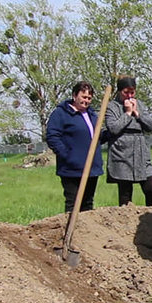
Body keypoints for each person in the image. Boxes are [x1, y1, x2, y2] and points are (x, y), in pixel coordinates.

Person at [46, 81, 108, 212]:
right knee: (73, 204)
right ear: (74, 96)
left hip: (91, 168)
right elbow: (52, 137)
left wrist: (111, 133)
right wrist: (68, 156)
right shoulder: (61, 114)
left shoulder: (92, 115)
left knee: (87, 204)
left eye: (89, 98)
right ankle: (71, 231)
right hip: (71, 169)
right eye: (83, 97)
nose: (86, 101)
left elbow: (97, 138)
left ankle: (86, 231)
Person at [105, 75, 152, 206]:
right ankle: (125, 222)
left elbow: (151, 126)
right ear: (119, 91)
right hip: (122, 153)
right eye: (126, 92)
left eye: (132, 92)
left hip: (141, 152)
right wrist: (128, 113)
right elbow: (113, 128)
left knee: (151, 187)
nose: (129, 96)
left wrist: (137, 114)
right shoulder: (112, 107)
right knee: (125, 193)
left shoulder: (140, 104)